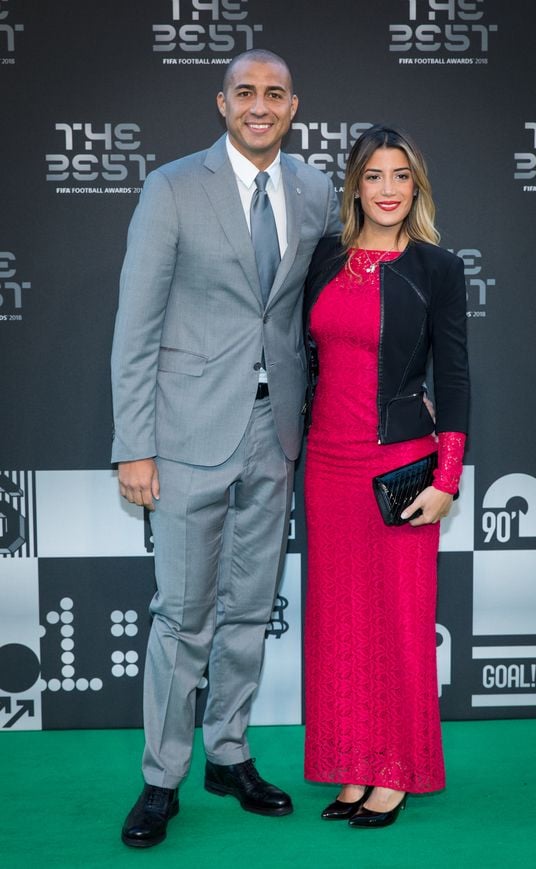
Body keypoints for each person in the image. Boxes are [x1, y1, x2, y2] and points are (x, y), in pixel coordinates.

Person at [110, 48, 341, 848]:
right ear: (222, 103)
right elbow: (135, 326)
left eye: (275, 93)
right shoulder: (173, 187)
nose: (260, 105)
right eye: (246, 92)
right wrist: (133, 445)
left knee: (248, 607)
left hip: (276, 433)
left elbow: (321, 302)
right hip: (183, 436)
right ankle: (161, 776)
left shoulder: (315, 190)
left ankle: (230, 751)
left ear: (293, 106)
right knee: (182, 614)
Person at [302, 125, 469, 829]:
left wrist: (447, 478)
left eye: (401, 175)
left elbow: (454, 377)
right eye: (374, 175)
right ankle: (352, 763)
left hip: (398, 467)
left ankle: (395, 770)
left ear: (416, 187)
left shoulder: (438, 268)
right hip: (325, 465)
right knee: (339, 622)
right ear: (355, 187)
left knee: (398, 622)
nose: (388, 189)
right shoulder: (323, 257)